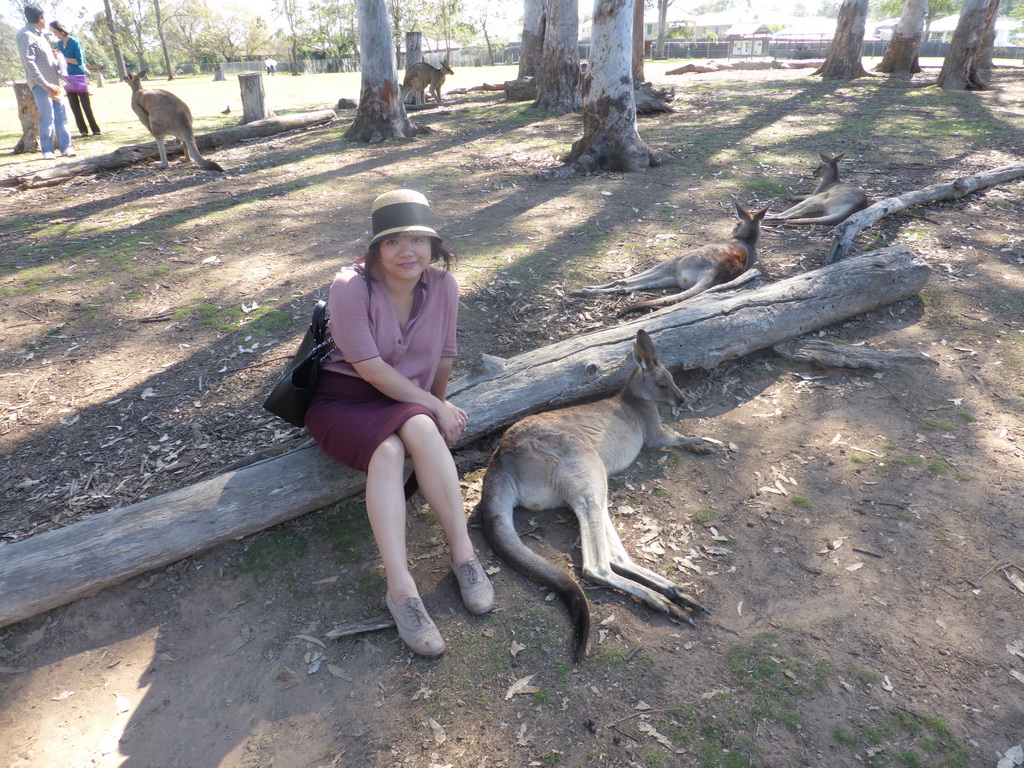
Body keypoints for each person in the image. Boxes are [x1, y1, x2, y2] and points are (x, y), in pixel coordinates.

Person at [305, 190, 494, 658]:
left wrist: (441, 408)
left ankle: (464, 557)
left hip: (404, 398)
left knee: (425, 430)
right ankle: (401, 589)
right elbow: (368, 369)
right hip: (343, 399)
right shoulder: (350, 285)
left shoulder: (443, 286)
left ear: (433, 245)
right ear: (376, 249)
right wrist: (432, 405)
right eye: (392, 242)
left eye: (417, 239)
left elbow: (445, 355)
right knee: (387, 452)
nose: (406, 251)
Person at [15, 5, 75, 159]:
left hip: (55, 82)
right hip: (42, 85)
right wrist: (44, 84)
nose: (45, 21)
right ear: (40, 18)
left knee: (61, 116)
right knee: (47, 117)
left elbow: (43, 58)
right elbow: (29, 62)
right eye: (44, 18)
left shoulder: (40, 35)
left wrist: (57, 61)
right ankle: (47, 150)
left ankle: (66, 147)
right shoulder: (26, 35)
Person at [49, 20, 102, 138]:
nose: (54, 34)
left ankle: (95, 129)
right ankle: (83, 130)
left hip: (78, 76)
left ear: (61, 30)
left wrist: (63, 57)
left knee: (85, 105)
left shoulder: (74, 42)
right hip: (65, 77)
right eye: (53, 32)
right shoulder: (58, 44)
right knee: (74, 106)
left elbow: (79, 61)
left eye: (55, 31)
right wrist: (57, 58)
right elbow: (60, 62)